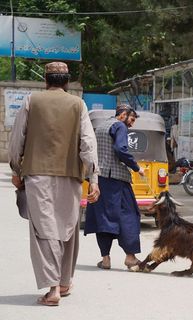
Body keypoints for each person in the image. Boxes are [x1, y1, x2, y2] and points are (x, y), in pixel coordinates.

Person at [8, 62, 100, 306]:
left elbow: (17, 139)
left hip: (37, 176)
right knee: (67, 229)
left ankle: (53, 290)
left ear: (46, 80)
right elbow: (89, 144)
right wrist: (93, 178)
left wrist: (16, 169)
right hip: (71, 176)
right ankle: (64, 282)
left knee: (44, 231)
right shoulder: (78, 104)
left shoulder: (32, 101)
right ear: (67, 81)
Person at [84, 105, 145, 270]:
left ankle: (105, 259)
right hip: (116, 179)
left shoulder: (102, 126)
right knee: (130, 215)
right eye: (131, 120)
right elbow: (120, 149)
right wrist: (136, 167)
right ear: (123, 115)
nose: (131, 124)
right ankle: (130, 257)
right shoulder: (120, 126)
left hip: (98, 179)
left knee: (103, 218)